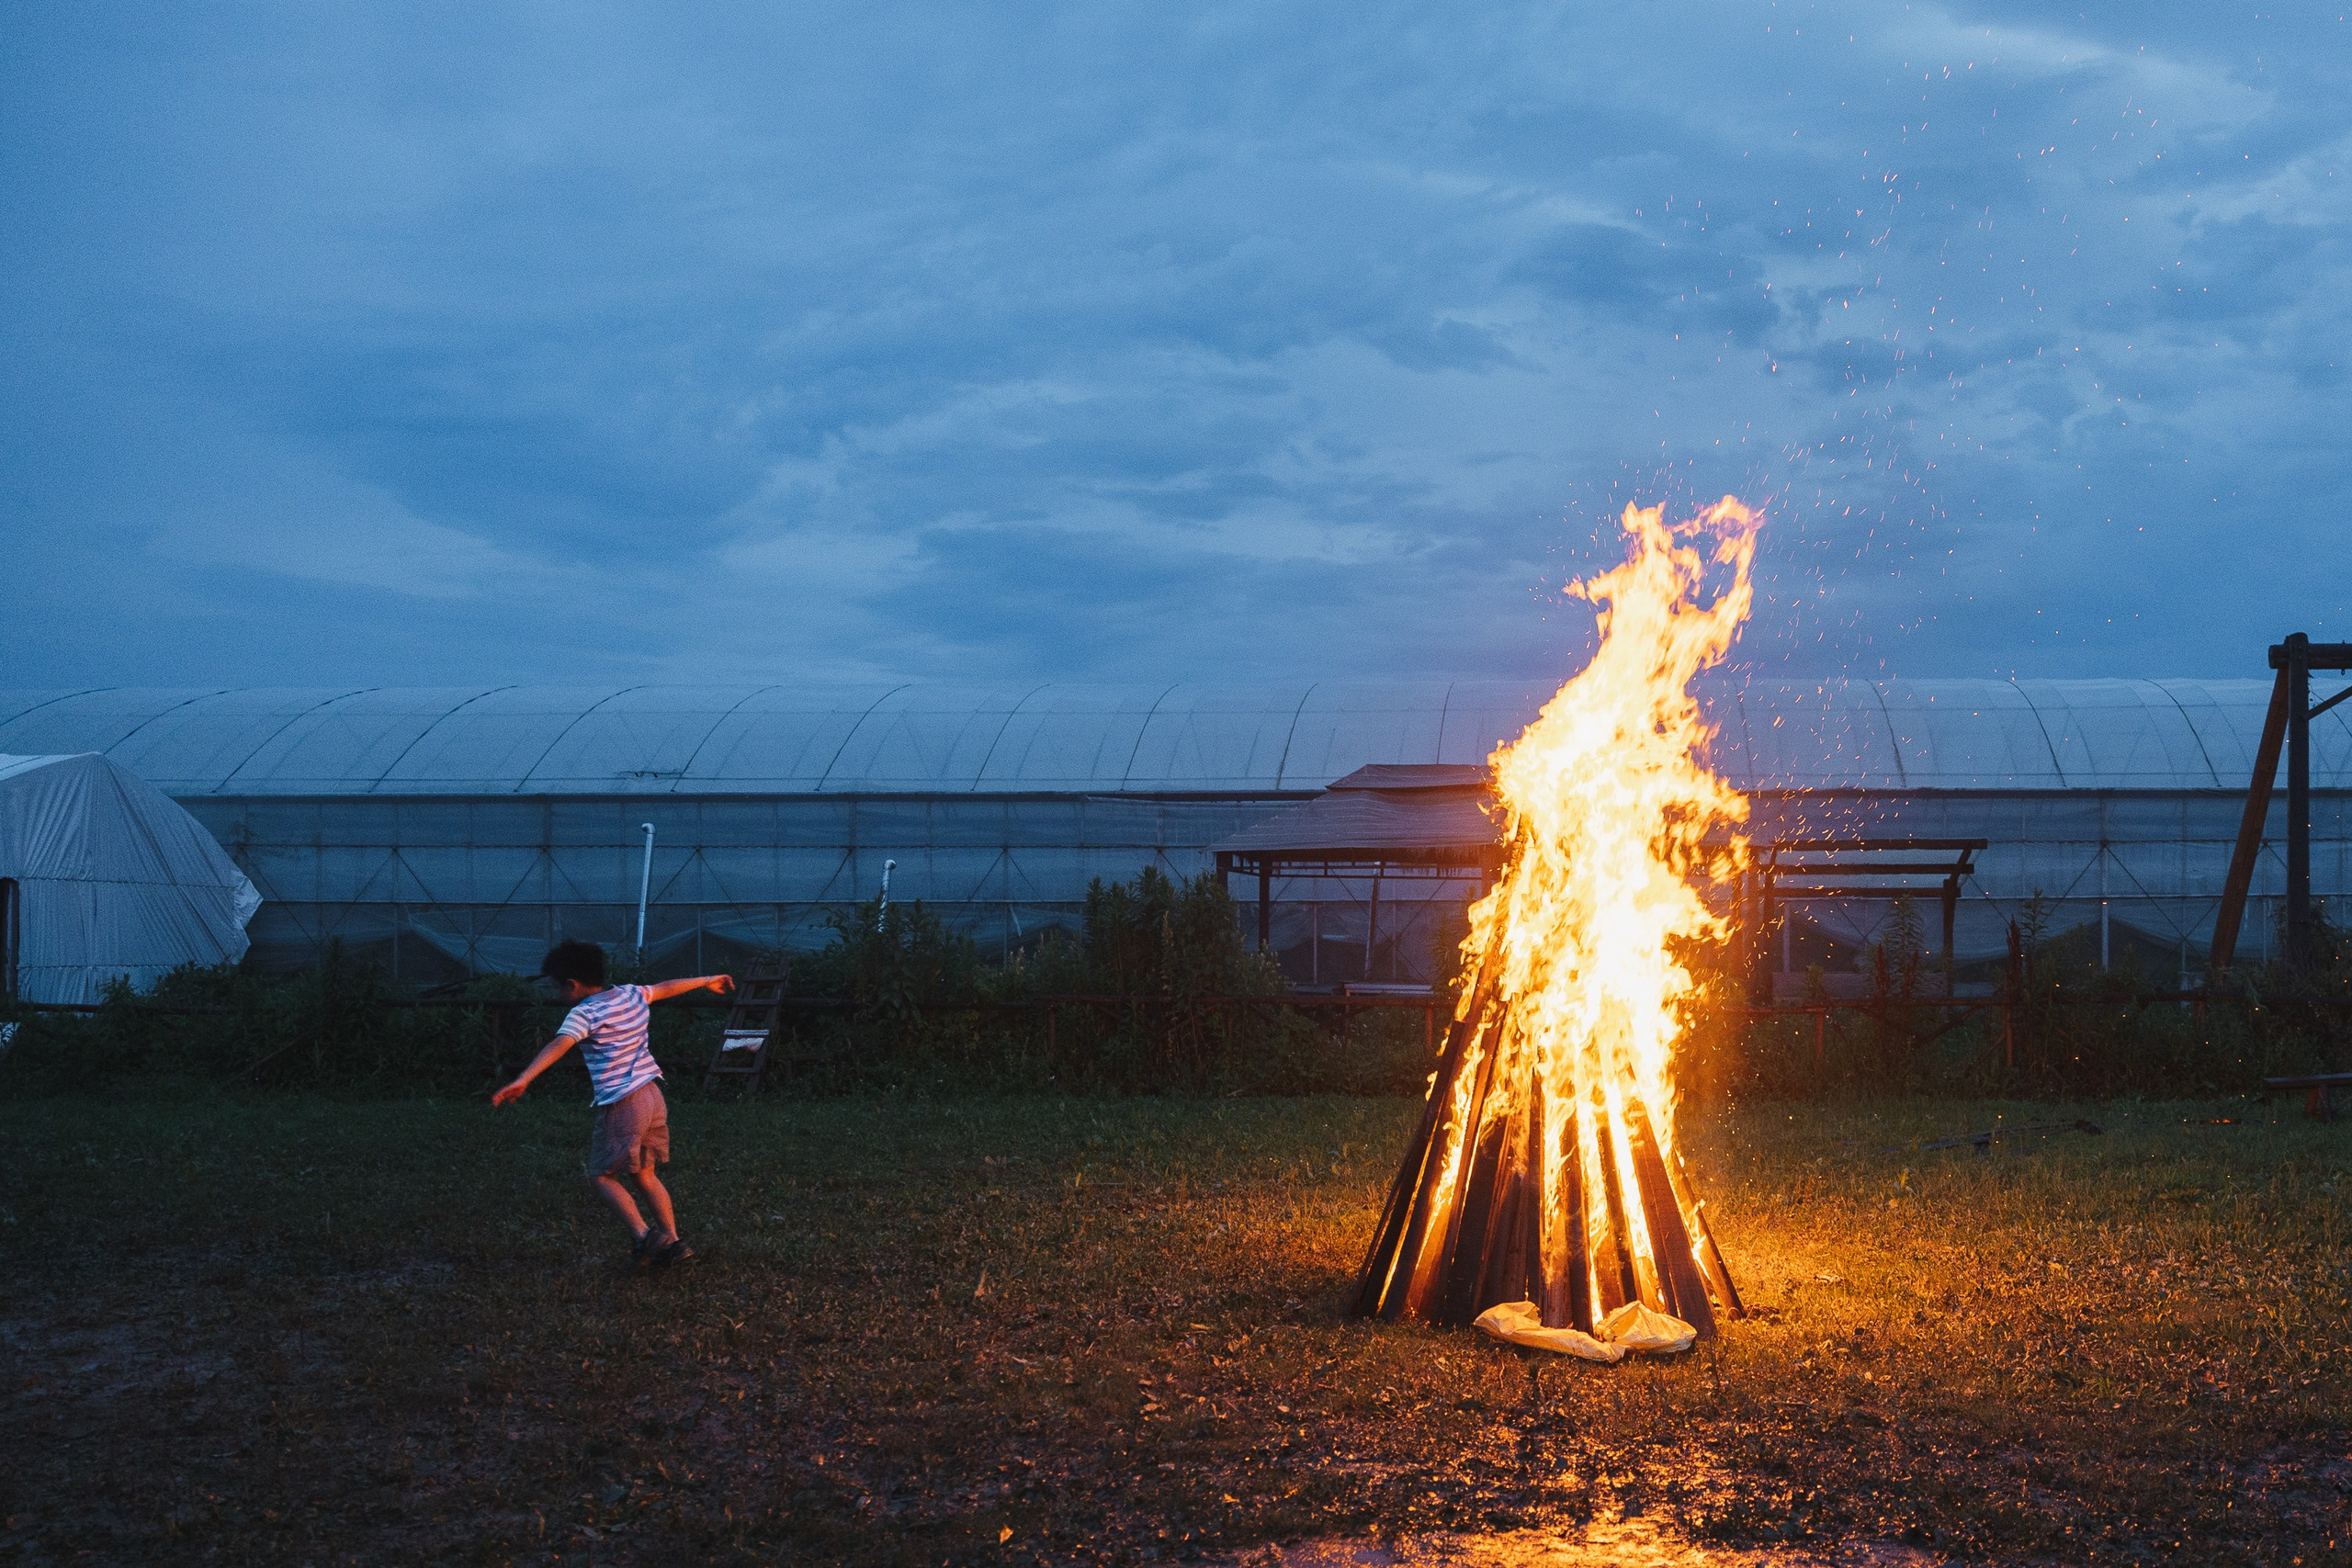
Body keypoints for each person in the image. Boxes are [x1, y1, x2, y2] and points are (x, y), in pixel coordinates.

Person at [491, 940, 735, 1271]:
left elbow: (559, 1044)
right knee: (645, 1175)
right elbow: (666, 987)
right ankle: (674, 1242)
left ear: (572, 985)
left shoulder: (584, 1013)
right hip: (652, 1095)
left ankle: (645, 1237)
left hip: (624, 1103)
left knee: (602, 1176)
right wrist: (707, 980)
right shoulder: (630, 994)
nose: (557, 993)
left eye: (556, 986)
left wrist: (524, 1079)